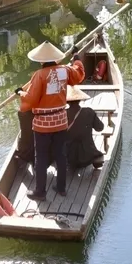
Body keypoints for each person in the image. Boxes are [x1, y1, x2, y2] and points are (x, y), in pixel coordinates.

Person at [17, 41, 85, 200]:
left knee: (40, 157)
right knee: (61, 154)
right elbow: (79, 74)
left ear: (41, 60)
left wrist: (20, 92)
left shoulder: (39, 75)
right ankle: (61, 188)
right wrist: (76, 57)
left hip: (42, 125)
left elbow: (31, 100)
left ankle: (40, 192)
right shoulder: (65, 70)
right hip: (61, 121)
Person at [65, 87, 105, 170]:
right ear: (80, 100)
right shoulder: (89, 112)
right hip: (88, 154)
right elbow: (100, 128)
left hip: (68, 155)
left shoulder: (63, 114)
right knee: (98, 155)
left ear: (67, 101)